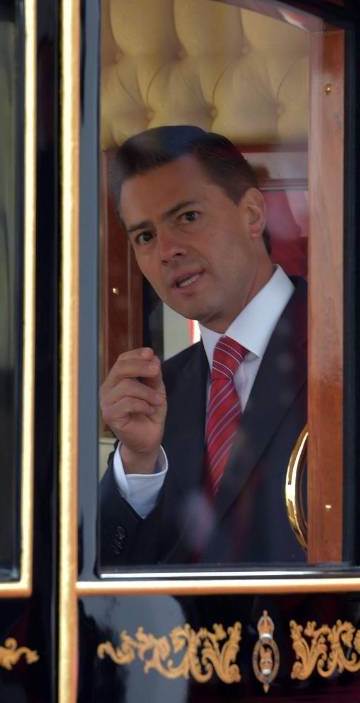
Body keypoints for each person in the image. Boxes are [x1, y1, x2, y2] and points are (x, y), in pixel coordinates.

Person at [98, 125, 308, 565]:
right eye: (145, 236)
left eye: (188, 217)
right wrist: (138, 463)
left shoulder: (358, 356)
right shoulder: (157, 394)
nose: (167, 250)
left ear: (252, 214)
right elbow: (109, 579)